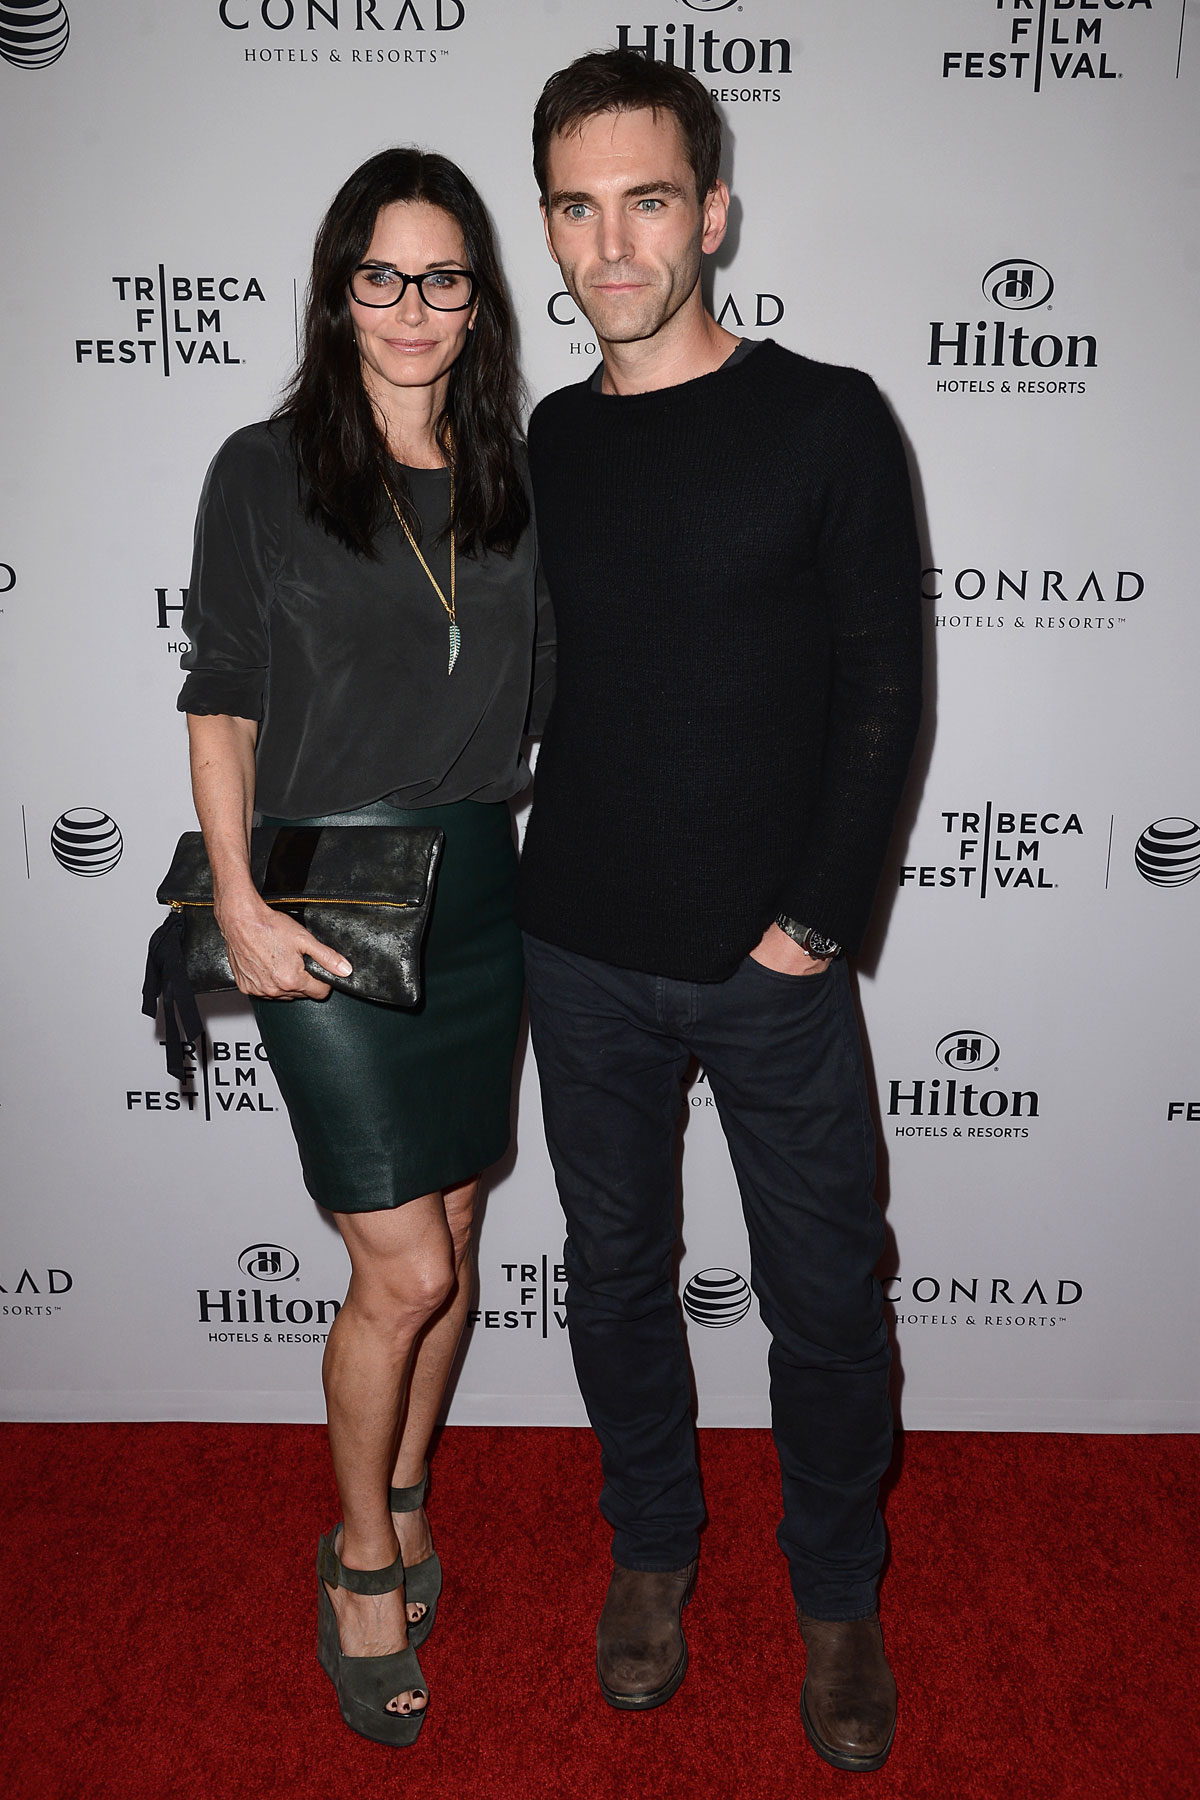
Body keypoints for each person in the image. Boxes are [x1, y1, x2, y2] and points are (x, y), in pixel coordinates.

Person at [519, 51, 922, 1774]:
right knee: (614, 1277)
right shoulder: (544, 434)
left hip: (773, 965)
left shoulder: (828, 417)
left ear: (715, 211)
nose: (613, 241)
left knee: (825, 1291)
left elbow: (883, 696)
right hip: (578, 950)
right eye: (578, 204)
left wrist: (812, 929)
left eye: (649, 198)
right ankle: (652, 1555)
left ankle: (836, 1597)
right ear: (551, 221)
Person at [177, 147, 552, 1747]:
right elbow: (221, 697)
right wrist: (242, 906)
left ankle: (400, 1480)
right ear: (341, 291)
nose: (414, 306)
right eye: (383, 274)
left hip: (483, 880)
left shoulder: (521, 472)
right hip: (323, 891)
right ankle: (362, 1561)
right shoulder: (264, 471)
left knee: (456, 1236)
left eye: (445, 275)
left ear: (480, 298)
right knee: (398, 1268)